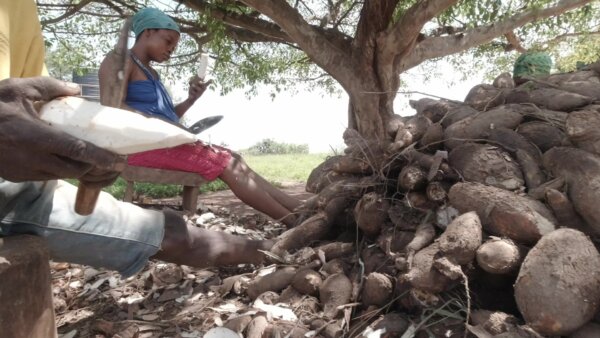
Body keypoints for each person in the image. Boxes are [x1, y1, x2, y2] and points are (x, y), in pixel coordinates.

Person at [0, 0, 273, 278]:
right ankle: (290, 225)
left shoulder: (152, 74)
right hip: (140, 148)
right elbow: (112, 111)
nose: (170, 50)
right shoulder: (119, 61)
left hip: (156, 144)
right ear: (147, 33)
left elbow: (168, 118)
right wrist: (158, 129)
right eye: (168, 41)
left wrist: (190, 100)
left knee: (233, 158)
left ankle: (298, 212)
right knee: (225, 162)